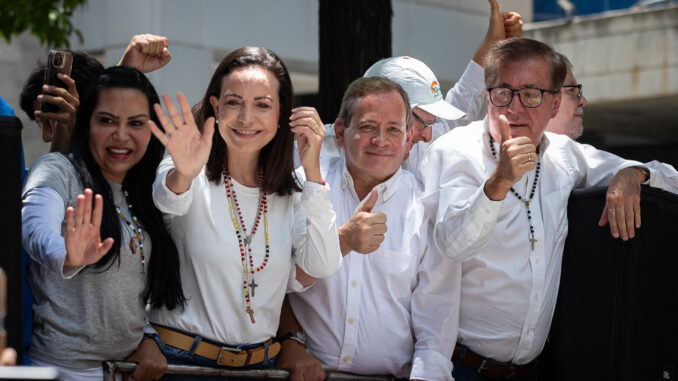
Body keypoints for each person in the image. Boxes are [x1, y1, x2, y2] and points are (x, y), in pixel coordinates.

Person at [418, 37, 678, 381]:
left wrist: (634, 174)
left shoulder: (564, 154)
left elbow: (670, 176)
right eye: (503, 93)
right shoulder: (454, 150)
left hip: (536, 370)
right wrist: (498, 183)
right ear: (488, 96)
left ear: (555, 105)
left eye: (530, 94)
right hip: (462, 367)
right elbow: (453, 244)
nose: (514, 107)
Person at [146, 46, 342, 372]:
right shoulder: (187, 165)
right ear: (215, 106)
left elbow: (322, 265)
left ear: (281, 114)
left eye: (262, 105)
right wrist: (183, 173)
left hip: (260, 367)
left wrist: (313, 176)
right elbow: (167, 201)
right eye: (234, 102)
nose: (246, 118)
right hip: (184, 365)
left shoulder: (290, 192)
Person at [283, 77, 460, 380]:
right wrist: (342, 242)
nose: (380, 140)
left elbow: (436, 322)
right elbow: (275, 283)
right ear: (340, 132)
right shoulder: (302, 184)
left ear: (408, 140)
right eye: (367, 127)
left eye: (393, 129)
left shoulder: (426, 208)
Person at [21, 66, 183, 381]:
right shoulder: (58, 169)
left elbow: (133, 292)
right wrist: (67, 255)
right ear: (87, 123)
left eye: (136, 123)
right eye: (107, 121)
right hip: (61, 371)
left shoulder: (144, 190)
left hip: (124, 373)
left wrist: (148, 336)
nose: (121, 136)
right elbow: (33, 230)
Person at [302, 0, 523, 172]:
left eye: (431, 121)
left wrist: (494, 46)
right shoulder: (311, 154)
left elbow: (464, 101)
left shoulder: (425, 138)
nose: (428, 135)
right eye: (420, 122)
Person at [19, 34, 171, 154]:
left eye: (135, 123)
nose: (47, 136)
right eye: (42, 124)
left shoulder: (153, 178)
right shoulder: (43, 182)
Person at [546, 52, 678, 187]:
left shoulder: (564, 153)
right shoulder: (560, 148)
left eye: (579, 92)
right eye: (571, 91)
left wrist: (635, 173)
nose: (583, 101)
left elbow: (669, 179)